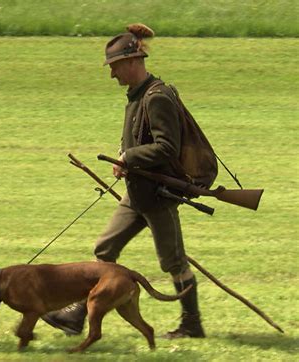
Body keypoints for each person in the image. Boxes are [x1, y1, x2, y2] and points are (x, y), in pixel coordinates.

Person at [41, 24, 205, 339]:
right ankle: (78, 315)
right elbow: (139, 141)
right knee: (105, 248)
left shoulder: (158, 97)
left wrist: (129, 157)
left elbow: (167, 147)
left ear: (132, 61)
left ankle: (192, 324)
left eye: (115, 67)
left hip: (159, 194)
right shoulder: (136, 96)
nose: (112, 74)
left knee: (173, 261)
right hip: (137, 191)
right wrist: (124, 157)